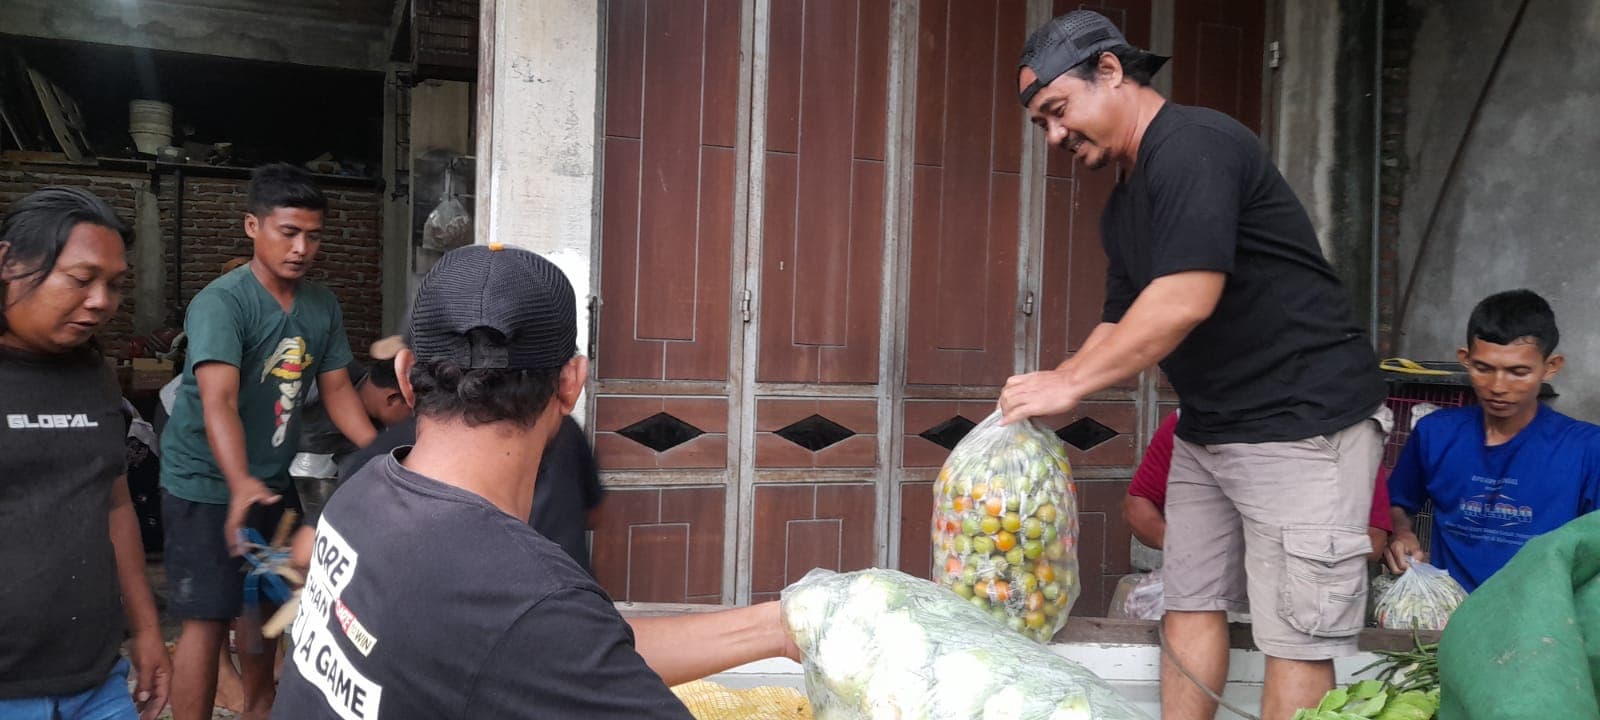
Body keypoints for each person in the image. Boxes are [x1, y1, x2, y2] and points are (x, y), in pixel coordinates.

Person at [999, 11, 1388, 720]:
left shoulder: (1196, 145)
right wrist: (1052, 391)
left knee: (1296, 636)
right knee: (1190, 600)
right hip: (1209, 428)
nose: (1055, 136)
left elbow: (1184, 299)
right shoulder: (1125, 207)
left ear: (1111, 71)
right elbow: (1120, 319)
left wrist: (1072, 382)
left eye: (1059, 111)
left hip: (1302, 424)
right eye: (1041, 126)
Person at [272, 244, 795, 719]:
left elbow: (567, 651)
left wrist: (781, 626)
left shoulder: (360, 497)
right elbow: (537, 632)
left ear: (406, 376)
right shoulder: (520, 594)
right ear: (571, 384)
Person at [159, 163, 377, 720]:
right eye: (289, 232)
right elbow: (218, 401)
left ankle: (260, 711)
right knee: (207, 620)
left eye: (314, 234)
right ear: (253, 225)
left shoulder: (321, 306)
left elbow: (338, 391)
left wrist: (382, 455)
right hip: (205, 485)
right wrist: (238, 485)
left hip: (269, 482)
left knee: (262, 610)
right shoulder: (222, 303)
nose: (303, 248)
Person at [0, 187, 170, 719]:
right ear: (7, 263)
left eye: (114, 285)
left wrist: (144, 630)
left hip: (96, 678)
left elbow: (114, 502)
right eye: (80, 279)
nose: (101, 301)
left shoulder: (94, 374)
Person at [1386, 289, 1600, 592]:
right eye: (1484, 368)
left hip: (1542, 620)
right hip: (1450, 618)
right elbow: (1398, 503)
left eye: (1518, 372)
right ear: (1465, 359)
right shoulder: (1435, 434)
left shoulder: (1587, 448)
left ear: (1551, 366)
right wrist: (1402, 533)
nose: (1498, 386)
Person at [336, 412, 606, 572]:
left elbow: (310, 543)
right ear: (570, 381)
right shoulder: (567, 429)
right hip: (574, 600)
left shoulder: (422, 435)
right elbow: (594, 515)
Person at [1127, 411, 1395, 561]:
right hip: (1209, 589)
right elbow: (1139, 503)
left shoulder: (1345, 433)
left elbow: (1373, 538)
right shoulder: (1191, 422)